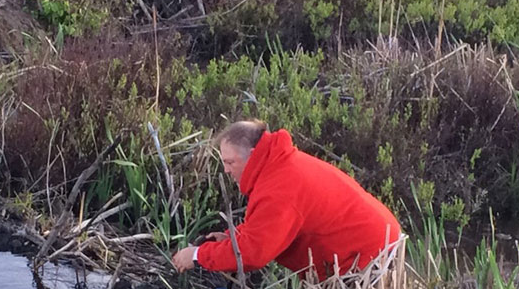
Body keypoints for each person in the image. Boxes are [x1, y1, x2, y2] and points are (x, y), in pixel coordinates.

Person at [172, 120, 401, 280]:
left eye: (230, 163)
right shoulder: (279, 165)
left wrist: (196, 256)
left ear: (253, 155)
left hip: (370, 256)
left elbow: (254, 254)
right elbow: (269, 229)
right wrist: (233, 237)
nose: (226, 170)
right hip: (377, 240)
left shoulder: (278, 188)